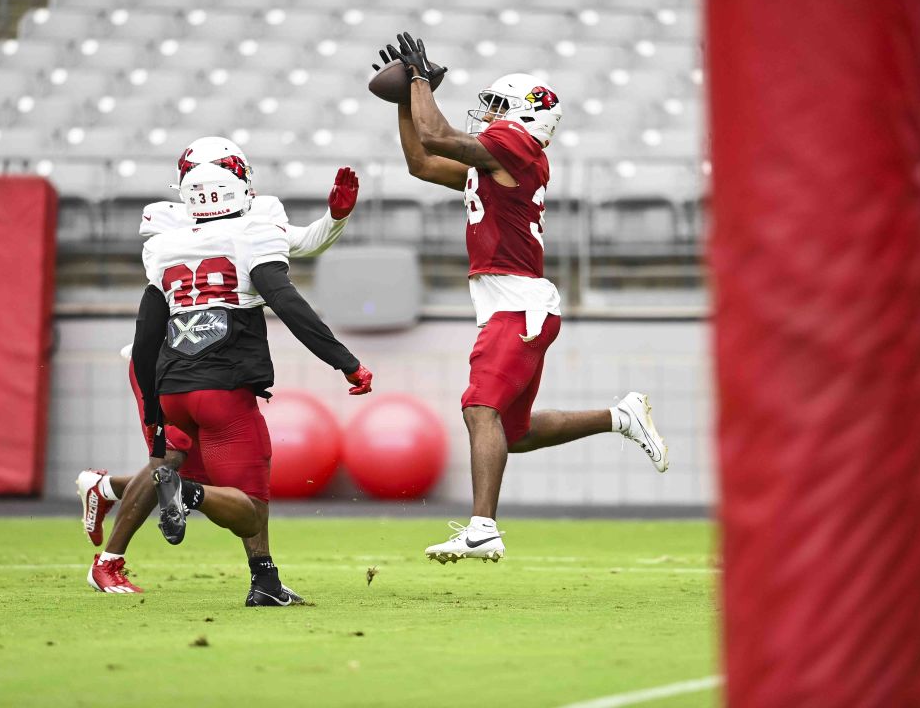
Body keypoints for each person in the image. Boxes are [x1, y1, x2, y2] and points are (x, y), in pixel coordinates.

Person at [378, 33, 669, 564]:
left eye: (495, 106)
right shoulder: (498, 159)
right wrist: (405, 100)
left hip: (518, 306)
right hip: (514, 304)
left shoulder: (518, 147)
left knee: (478, 407)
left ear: (525, 114)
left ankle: (483, 528)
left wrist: (418, 82)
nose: (486, 115)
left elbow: (436, 134)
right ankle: (620, 416)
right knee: (515, 430)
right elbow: (422, 160)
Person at [75, 145, 359, 594]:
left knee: (171, 465)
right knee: (232, 490)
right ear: (239, 178)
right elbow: (287, 294)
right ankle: (137, 545)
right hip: (210, 376)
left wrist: (335, 217)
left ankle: (107, 494)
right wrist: (346, 362)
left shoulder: (166, 237)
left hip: (163, 372)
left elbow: (147, 328)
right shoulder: (253, 224)